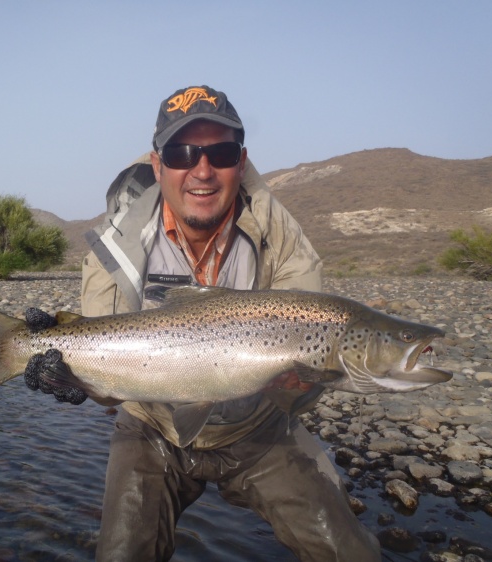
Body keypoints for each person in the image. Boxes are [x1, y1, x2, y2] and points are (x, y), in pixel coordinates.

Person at [76, 85, 381, 561]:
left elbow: (316, 371)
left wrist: (298, 386)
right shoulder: (114, 247)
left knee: (352, 555)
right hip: (152, 428)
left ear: (240, 162)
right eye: (182, 153)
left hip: (257, 430)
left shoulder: (283, 240)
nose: (202, 170)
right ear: (159, 165)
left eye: (219, 152)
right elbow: (107, 370)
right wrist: (74, 377)